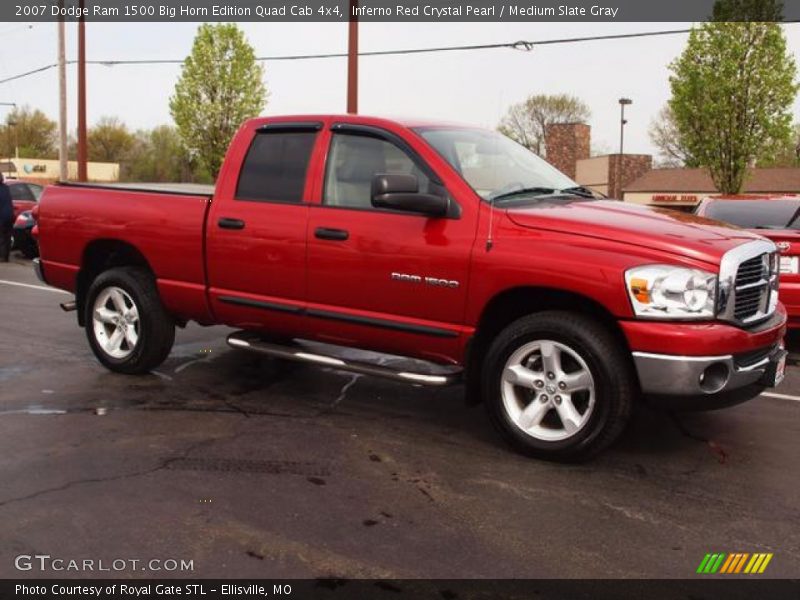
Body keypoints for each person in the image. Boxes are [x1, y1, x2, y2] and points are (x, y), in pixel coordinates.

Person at [0, 173, 13, 262]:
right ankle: (6, 257)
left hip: (2, 216)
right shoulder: (6, 187)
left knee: (1, 237)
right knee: (7, 237)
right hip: (9, 215)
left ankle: (2, 257)